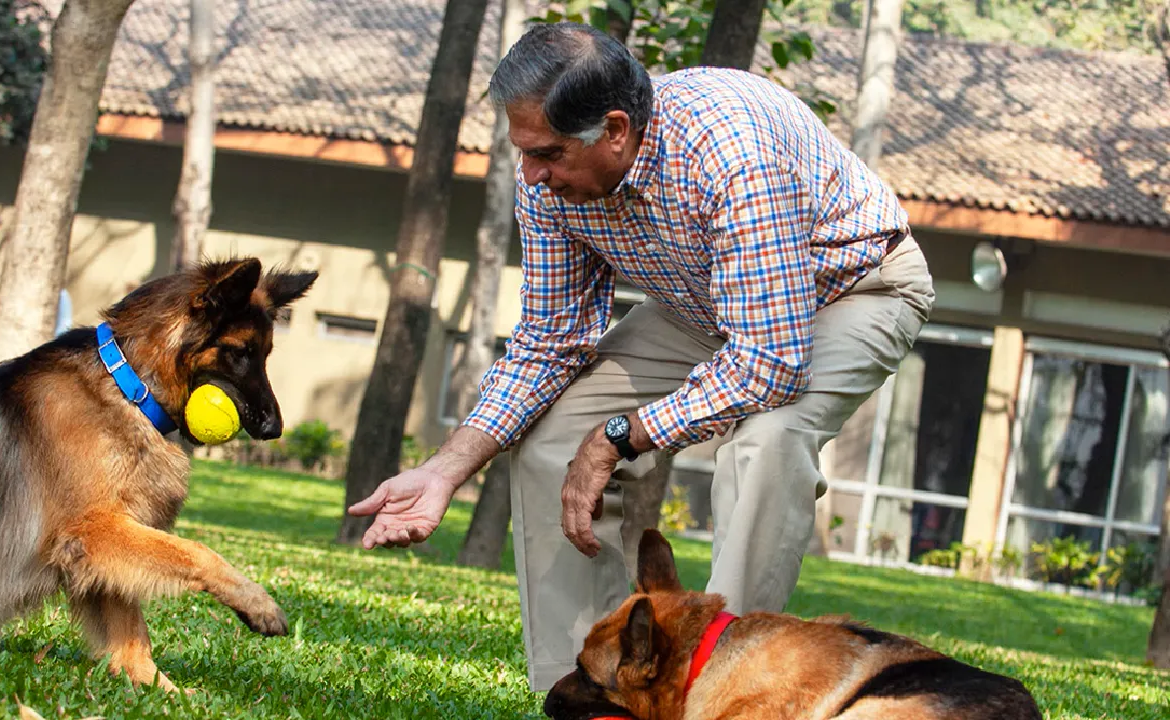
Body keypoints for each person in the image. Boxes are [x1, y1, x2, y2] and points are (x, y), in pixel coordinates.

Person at [349, 21, 935, 691]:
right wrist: (446, 471)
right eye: (526, 153)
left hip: (849, 290)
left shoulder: (731, 152)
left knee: (768, 440)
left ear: (617, 130)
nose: (533, 175)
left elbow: (770, 363)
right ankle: (592, 693)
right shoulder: (549, 183)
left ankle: (718, 688)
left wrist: (617, 437)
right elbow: (549, 340)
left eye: (547, 153)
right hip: (705, 305)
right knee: (548, 445)